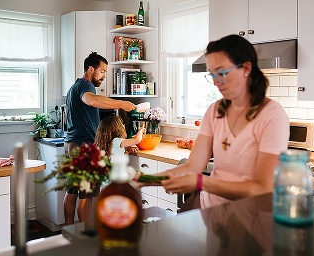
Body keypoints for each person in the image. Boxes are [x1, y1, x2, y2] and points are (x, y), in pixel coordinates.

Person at [156, 34, 289, 208]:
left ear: (246, 68)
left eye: (221, 73)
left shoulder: (272, 115)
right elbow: (192, 166)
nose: (216, 82)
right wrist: (144, 180)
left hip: (253, 220)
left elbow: (262, 188)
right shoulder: (215, 111)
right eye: (212, 75)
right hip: (212, 213)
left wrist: (202, 183)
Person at [63, 52, 136, 225]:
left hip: (73, 145)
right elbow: (91, 101)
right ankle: (85, 237)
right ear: (90, 69)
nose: (104, 76)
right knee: (86, 196)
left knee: (72, 190)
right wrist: (121, 103)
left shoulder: (74, 87)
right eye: (102, 71)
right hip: (85, 148)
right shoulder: (86, 86)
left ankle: (68, 234)